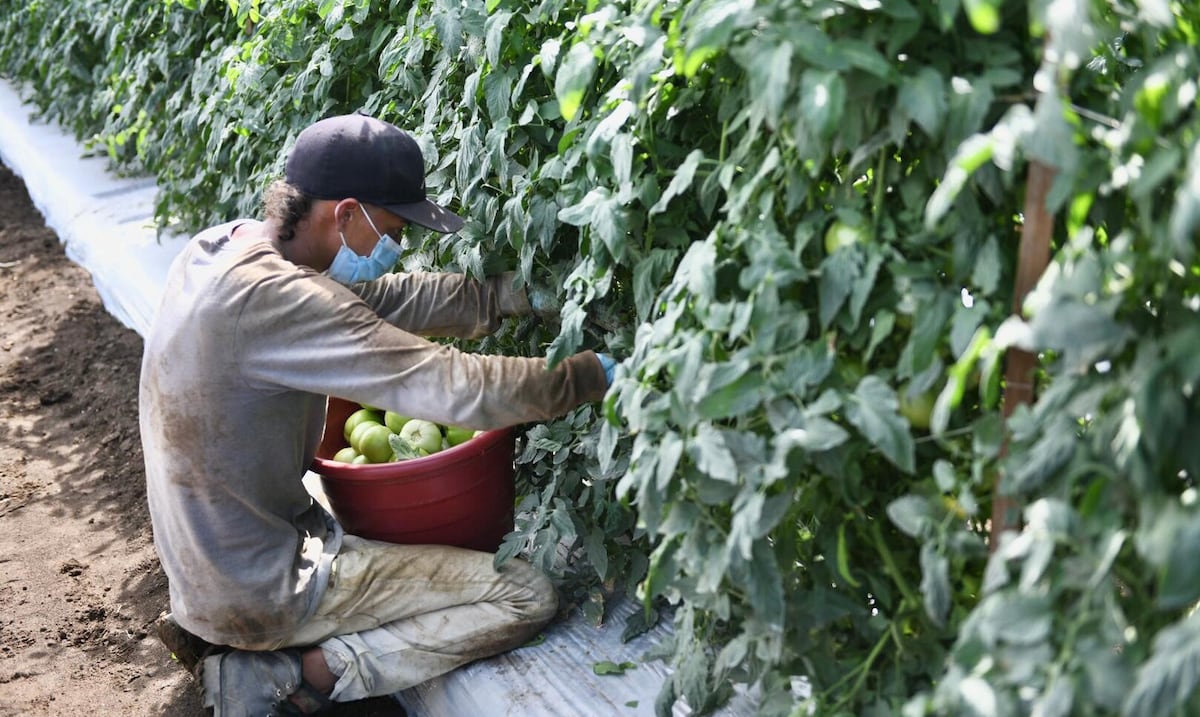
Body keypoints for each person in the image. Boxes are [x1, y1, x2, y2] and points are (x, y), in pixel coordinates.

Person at [138, 113, 616, 716]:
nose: (397, 248)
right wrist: (592, 376)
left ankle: (237, 636)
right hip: (264, 586)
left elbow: (389, 301)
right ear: (345, 214)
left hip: (212, 564)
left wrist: (506, 295)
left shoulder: (222, 248)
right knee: (524, 595)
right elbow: (449, 386)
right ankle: (291, 676)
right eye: (391, 230)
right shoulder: (277, 300)